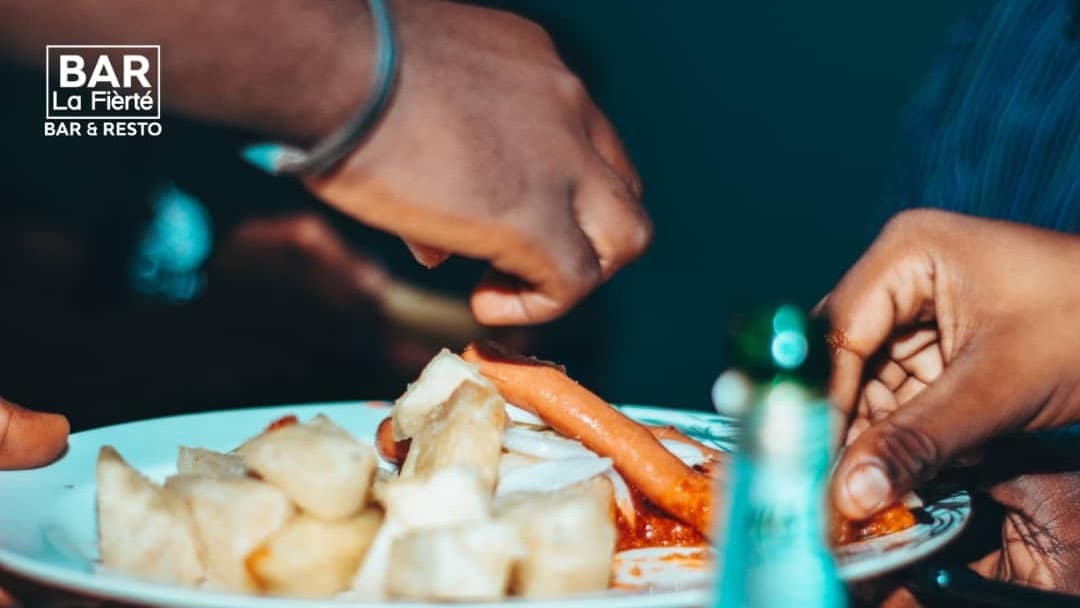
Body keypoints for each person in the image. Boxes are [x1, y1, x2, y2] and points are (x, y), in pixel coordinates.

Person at [0, 0, 650, 469]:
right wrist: (357, 69)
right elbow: (40, 324)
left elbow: (538, 329)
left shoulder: (509, 74)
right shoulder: (85, 74)